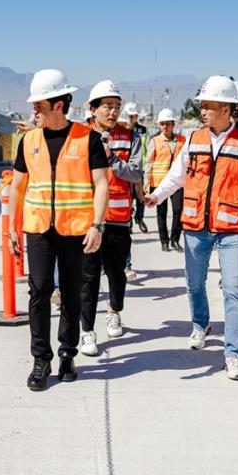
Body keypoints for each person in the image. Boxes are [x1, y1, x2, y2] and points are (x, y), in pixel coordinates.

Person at [145, 75, 238, 381]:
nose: (202, 111)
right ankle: (200, 324)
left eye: (209, 106)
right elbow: (177, 176)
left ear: (227, 109)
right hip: (196, 227)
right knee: (194, 283)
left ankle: (233, 353)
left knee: (234, 290)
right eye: (201, 105)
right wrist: (156, 195)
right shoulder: (193, 139)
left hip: (230, 228)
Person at [8, 68, 109, 391]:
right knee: (38, 290)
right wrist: (12, 228)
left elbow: (102, 183)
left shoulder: (88, 138)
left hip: (76, 228)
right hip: (38, 228)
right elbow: (18, 188)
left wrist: (97, 225)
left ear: (58, 104)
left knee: (70, 292)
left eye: (39, 103)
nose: (34, 109)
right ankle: (41, 359)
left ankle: (67, 354)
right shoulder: (28, 141)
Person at [78, 80, 144, 356]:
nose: (113, 112)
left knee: (117, 274)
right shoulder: (80, 136)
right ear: (92, 109)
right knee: (89, 277)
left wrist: (112, 159)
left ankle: (114, 310)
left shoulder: (130, 137)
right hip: (89, 221)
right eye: (107, 106)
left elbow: (136, 173)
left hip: (117, 218)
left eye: (116, 107)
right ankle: (87, 332)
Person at [146, 108, 186, 252]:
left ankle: (175, 239)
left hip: (177, 183)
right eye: (162, 124)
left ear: (173, 124)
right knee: (161, 213)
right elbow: (148, 163)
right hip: (158, 183)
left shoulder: (182, 140)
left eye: (167, 123)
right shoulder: (155, 141)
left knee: (178, 210)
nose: (165, 126)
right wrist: (146, 184)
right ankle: (164, 241)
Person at [123, 102, 150, 234]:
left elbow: (147, 149)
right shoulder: (122, 129)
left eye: (134, 116)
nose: (132, 118)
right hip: (126, 168)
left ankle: (139, 218)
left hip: (141, 168)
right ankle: (128, 221)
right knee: (129, 195)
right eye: (130, 115)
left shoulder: (143, 130)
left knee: (141, 196)